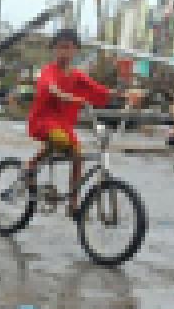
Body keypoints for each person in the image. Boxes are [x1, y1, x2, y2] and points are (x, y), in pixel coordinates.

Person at [25, 28, 111, 217]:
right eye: (61, 47)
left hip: (63, 124)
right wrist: (61, 94)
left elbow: (99, 90)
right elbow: (49, 85)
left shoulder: (77, 75)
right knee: (62, 141)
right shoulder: (49, 71)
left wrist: (125, 95)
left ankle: (73, 202)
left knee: (77, 156)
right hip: (43, 121)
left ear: (76, 51)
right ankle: (31, 166)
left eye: (69, 48)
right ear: (54, 49)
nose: (65, 52)